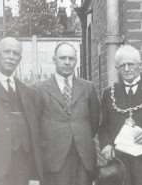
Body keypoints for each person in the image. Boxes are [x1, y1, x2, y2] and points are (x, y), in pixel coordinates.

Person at [99, 45, 142, 185]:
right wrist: (106, 145)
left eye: (131, 64)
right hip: (119, 162)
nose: (127, 69)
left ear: (140, 66)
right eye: (122, 65)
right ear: (117, 68)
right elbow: (103, 126)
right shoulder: (109, 93)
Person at [34, 42, 100, 185]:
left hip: (83, 158)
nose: (67, 62)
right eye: (62, 58)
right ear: (54, 60)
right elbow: (36, 126)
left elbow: (94, 122)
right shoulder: (39, 89)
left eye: (71, 59)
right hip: (54, 159)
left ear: (76, 61)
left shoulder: (88, 88)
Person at [0, 37, 43, 185]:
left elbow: (34, 134)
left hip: (22, 171)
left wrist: (34, 174)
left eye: (15, 53)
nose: (11, 57)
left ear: (20, 59)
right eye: (7, 52)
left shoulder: (28, 92)